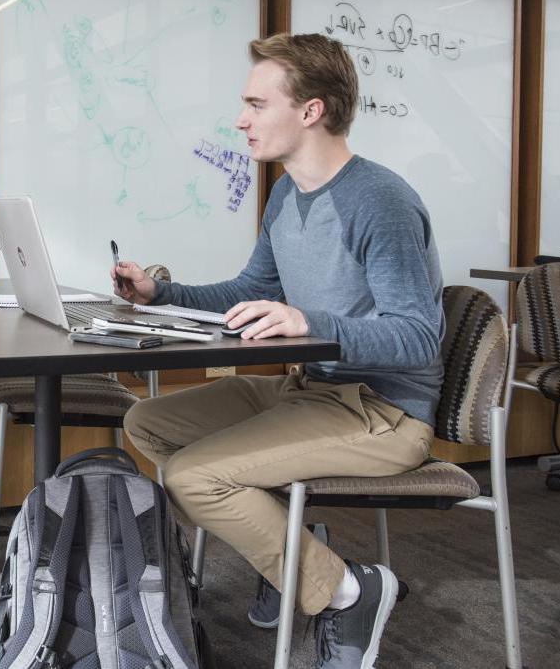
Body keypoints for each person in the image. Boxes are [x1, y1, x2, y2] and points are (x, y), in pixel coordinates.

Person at [115, 33, 444, 668]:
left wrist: (306, 319)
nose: (241, 119)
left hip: (383, 410)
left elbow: (418, 335)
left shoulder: (380, 200)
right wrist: (161, 293)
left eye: (256, 104)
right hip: (313, 391)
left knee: (193, 475)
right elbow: (252, 291)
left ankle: (349, 590)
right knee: (147, 421)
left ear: (311, 110)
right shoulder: (287, 192)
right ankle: (289, 547)